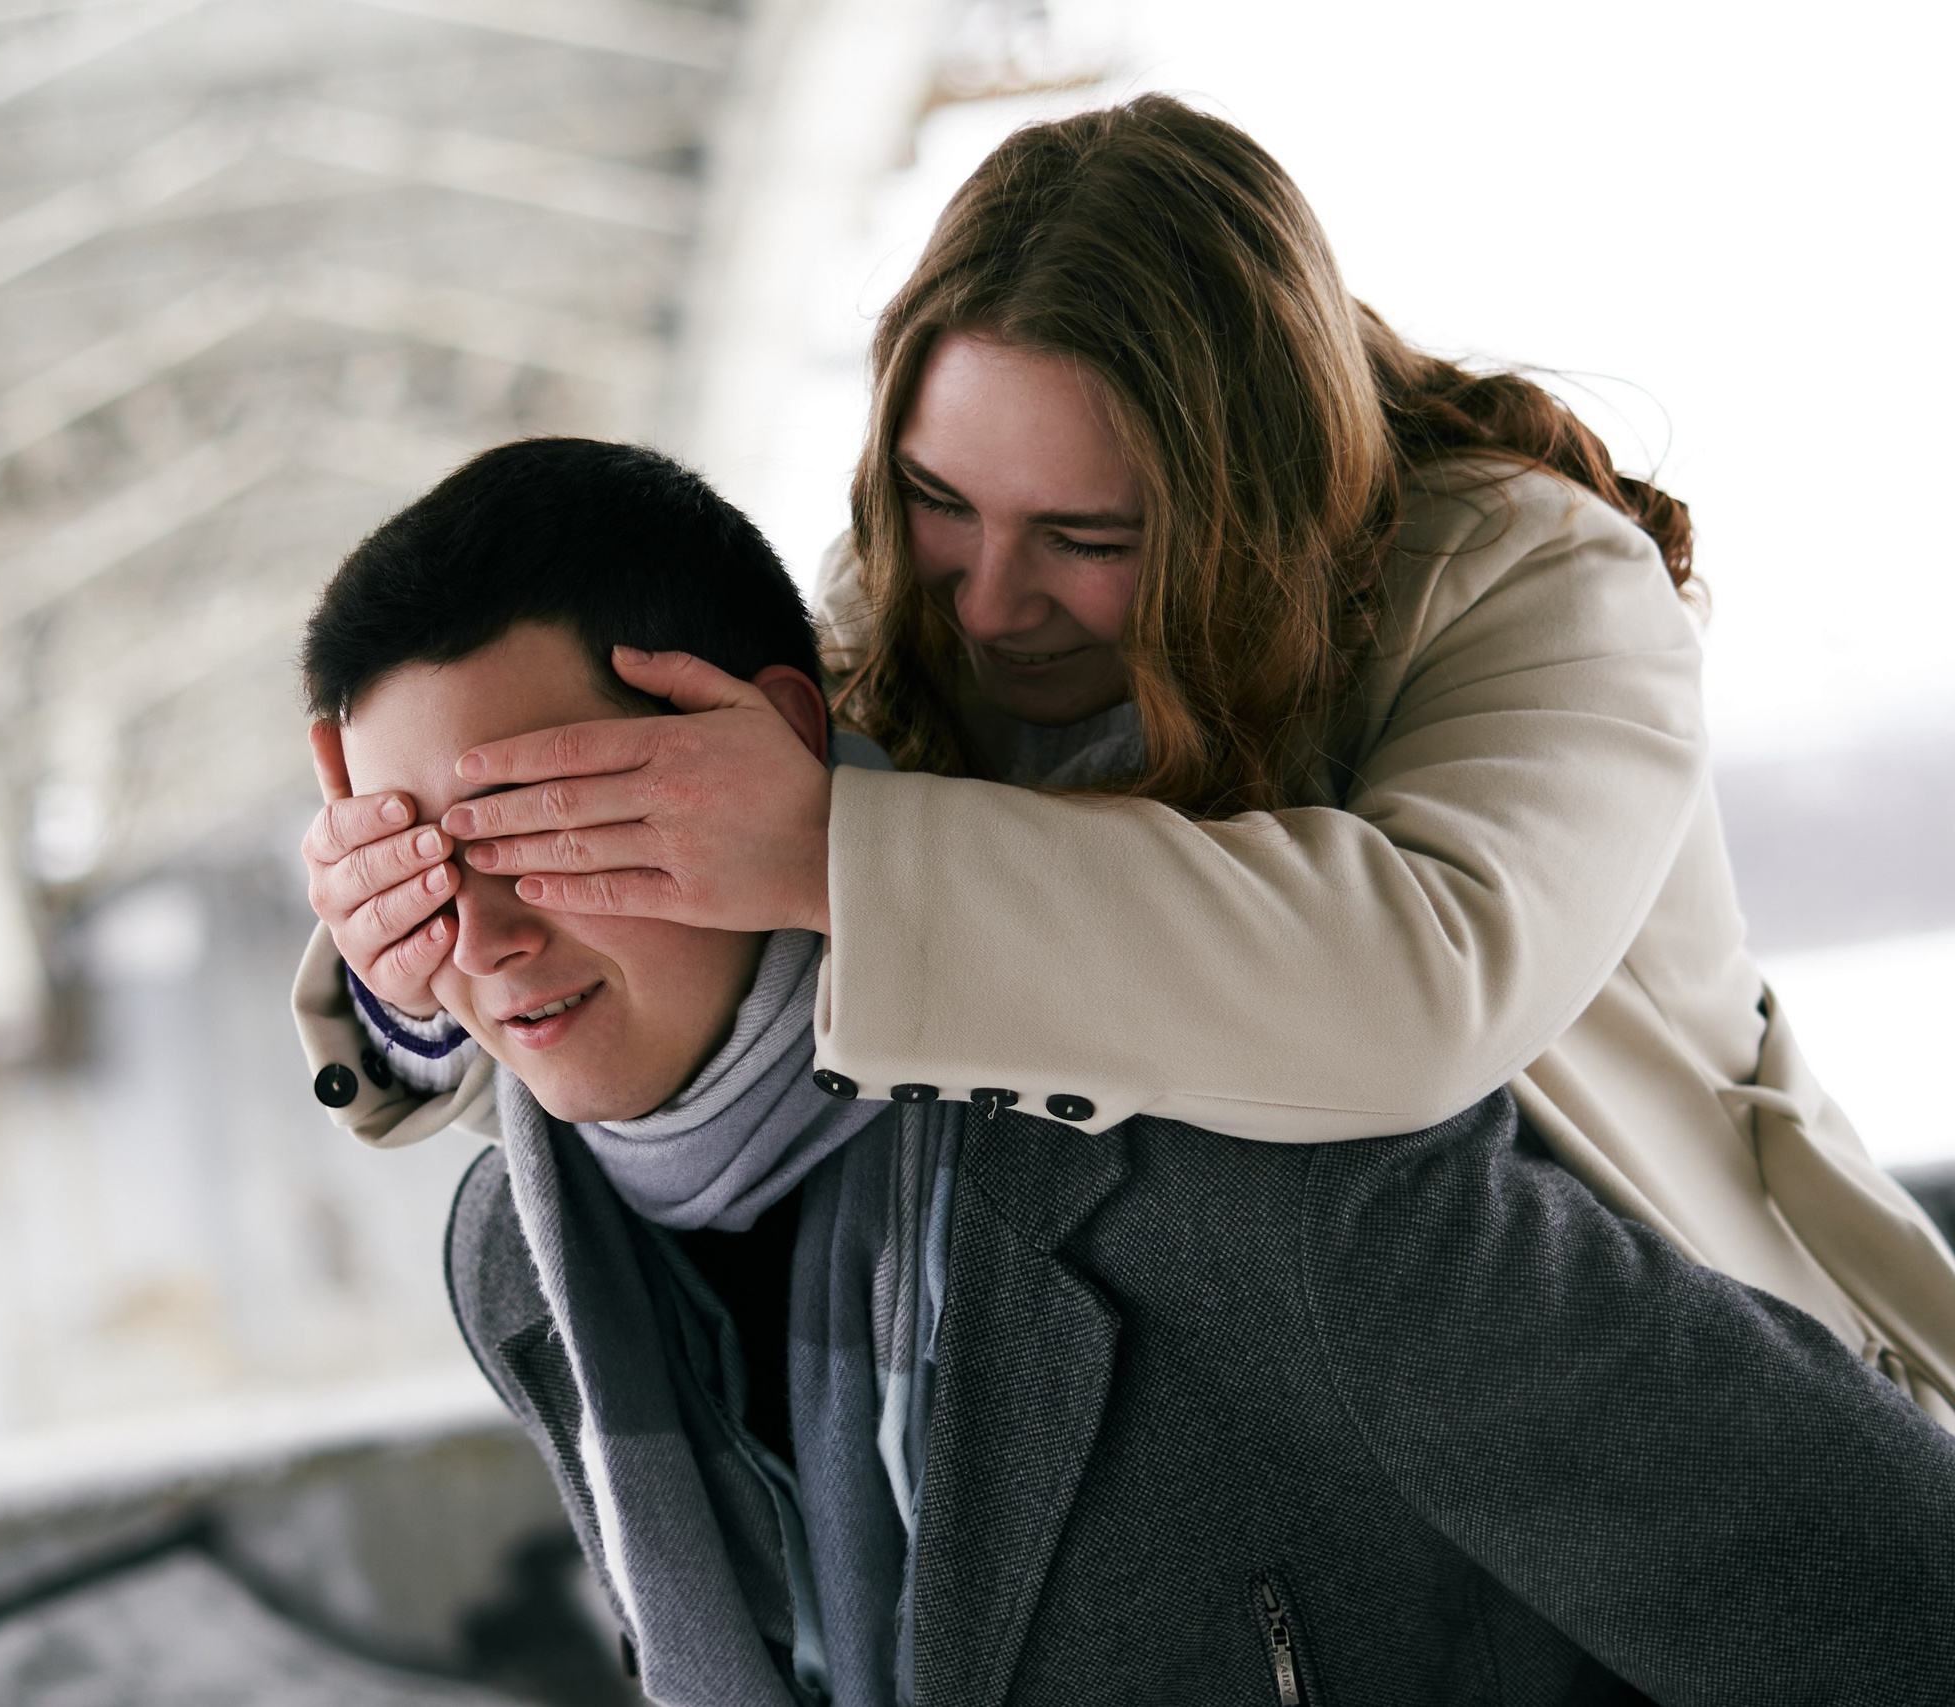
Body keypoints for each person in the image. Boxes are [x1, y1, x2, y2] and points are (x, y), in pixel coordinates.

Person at [295, 96, 1955, 1418]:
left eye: (1090, 534)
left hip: (1692, 1398)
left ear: (1249, 496)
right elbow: (710, 1006)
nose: (993, 598)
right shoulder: (914, 603)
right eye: (940, 502)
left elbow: (1415, 995)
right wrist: (418, 965)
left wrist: (829, 850)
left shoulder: (1540, 584)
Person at [297, 437, 1955, 1707]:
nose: (489, 937)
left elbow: (1890, 1594)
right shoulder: (530, 1258)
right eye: (414, 860)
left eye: (555, 830)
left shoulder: (1241, 1179)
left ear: (776, 742)